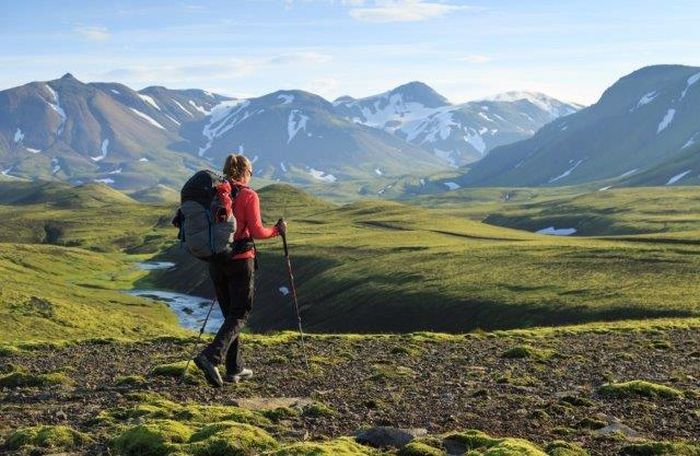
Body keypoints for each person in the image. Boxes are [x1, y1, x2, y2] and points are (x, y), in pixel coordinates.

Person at [194, 154, 286, 387]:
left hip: (216, 261)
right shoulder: (248, 195)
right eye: (251, 173)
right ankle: (211, 356)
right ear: (245, 172)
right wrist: (276, 230)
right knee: (241, 313)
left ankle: (234, 369)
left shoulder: (214, 194)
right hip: (241, 260)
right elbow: (256, 231)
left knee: (230, 316)